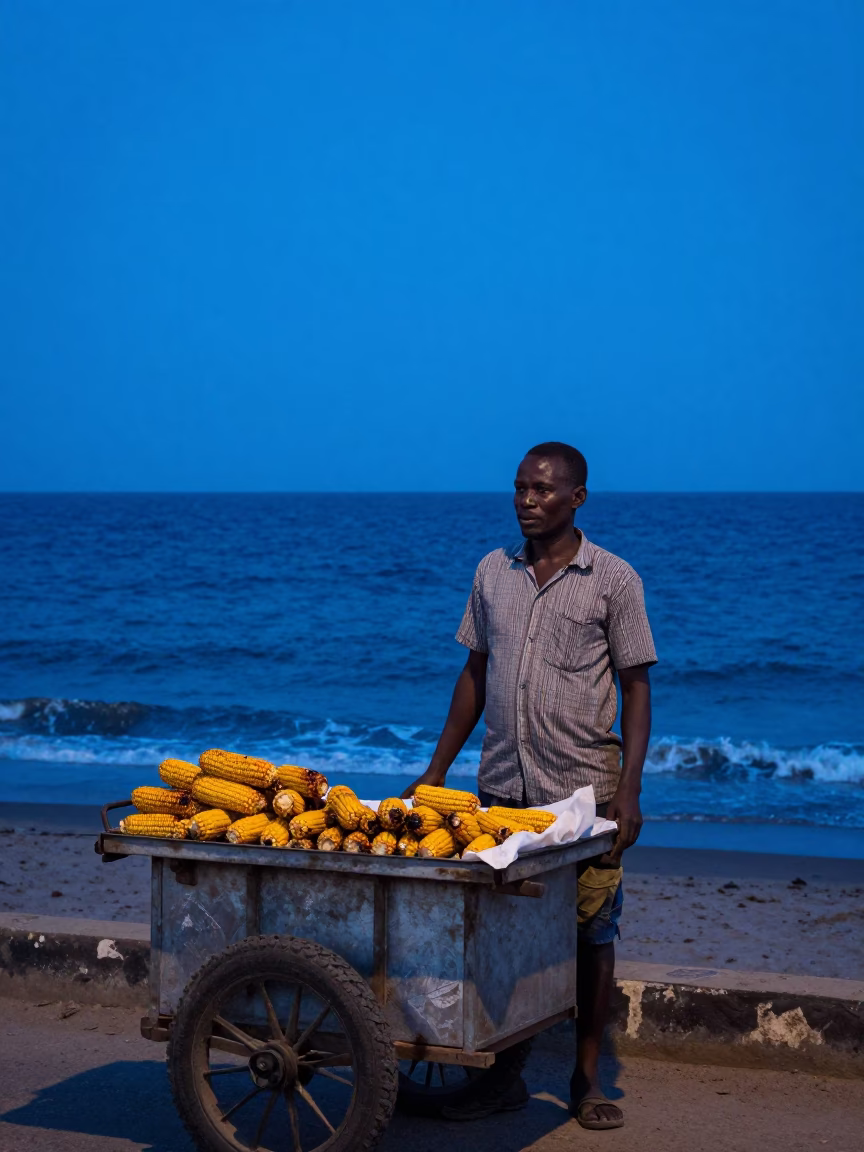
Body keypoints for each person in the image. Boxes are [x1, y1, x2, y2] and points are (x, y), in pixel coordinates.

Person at [403, 441, 656, 1131]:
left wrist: (629, 792)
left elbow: (637, 691)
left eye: (543, 490)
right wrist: (436, 769)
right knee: (503, 939)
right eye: (519, 488)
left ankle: (584, 1079)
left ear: (577, 498)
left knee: (591, 936)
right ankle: (504, 1077)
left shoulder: (613, 579)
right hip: (503, 795)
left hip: (585, 800)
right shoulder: (493, 572)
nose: (527, 500)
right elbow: (475, 676)